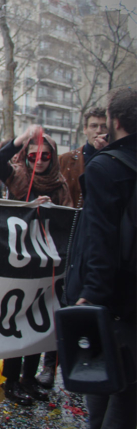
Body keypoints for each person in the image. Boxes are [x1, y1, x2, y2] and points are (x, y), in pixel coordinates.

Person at [64, 87, 136, 429]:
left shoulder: (106, 168)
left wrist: (90, 294)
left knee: (107, 400)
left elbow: (100, 239)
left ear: (116, 121)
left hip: (113, 302)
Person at [0, 125, 73, 405]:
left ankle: (29, 378)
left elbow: (69, 221)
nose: (39, 161)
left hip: (47, 265)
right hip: (19, 260)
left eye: (46, 157)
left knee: (39, 321)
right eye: (33, 156)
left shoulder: (60, 185)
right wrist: (19, 141)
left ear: (53, 157)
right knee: (17, 321)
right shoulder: (17, 177)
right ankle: (11, 381)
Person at [59, 107, 108, 209]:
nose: (99, 131)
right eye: (94, 126)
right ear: (85, 129)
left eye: (104, 126)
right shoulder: (65, 160)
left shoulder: (115, 159)